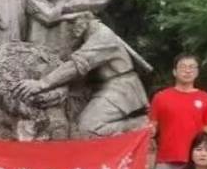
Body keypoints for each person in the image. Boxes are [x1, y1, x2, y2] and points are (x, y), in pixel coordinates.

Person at [13, 12, 148, 138]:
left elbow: (75, 66)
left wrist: (42, 84)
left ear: (80, 22)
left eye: (68, 25)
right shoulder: (88, 38)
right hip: (101, 88)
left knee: (87, 128)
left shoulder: (103, 37)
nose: (67, 30)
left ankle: (141, 125)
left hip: (120, 89)